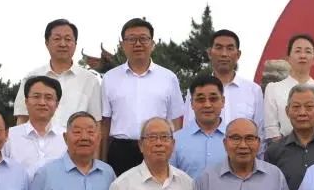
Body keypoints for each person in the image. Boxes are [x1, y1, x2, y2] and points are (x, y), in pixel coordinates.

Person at [101, 18, 184, 175]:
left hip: (157, 148)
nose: (138, 44)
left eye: (143, 39)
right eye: (132, 39)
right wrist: (102, 160)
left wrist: (174, 156)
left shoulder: (168, 78)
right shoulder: (110, 78)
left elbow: (176, 122)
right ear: (122, 45)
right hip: (120, 151)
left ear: (152, 44)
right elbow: (105, 123)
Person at [12, 18, 102, 128]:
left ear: (75, 44)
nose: (63, 44)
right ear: (47, 43)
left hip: (75, 139)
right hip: (38, 139)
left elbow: (97, 122)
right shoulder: (31, 78)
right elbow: (22, 118)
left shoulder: (90, 80)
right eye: (57, 39)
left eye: (68, 39)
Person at [183, 29, 264, 138]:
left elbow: (260, 133)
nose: (224, 54)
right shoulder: (196, 90)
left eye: (230, 48)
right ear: (209, 53)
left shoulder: (253, 90)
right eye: (219, 48)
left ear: (238, 54)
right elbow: (188, 129)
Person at [263, 84, 314, 190]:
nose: (302, 113)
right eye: (296, 107)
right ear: (287, 111)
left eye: (309, 107)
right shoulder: (273, 151)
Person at [263, 34, 314, 141]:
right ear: (288, 58)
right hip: (285, 148)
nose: (303, 55)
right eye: (298, 51)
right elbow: (271, 128)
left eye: (308, 51)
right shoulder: (273, 89)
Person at [4, 75, 68, 176]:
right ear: (26, 102)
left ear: (57, 104)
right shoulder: (8, 136)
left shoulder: (67, 137)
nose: (42, 103)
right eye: (36, 96)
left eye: (48, 98)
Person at [171, 75, 226, 180]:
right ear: (191, 103)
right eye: (201, 99)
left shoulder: (236, 138)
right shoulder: (175, 141)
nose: (207, 105)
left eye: (213, 99)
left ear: (223, 101)